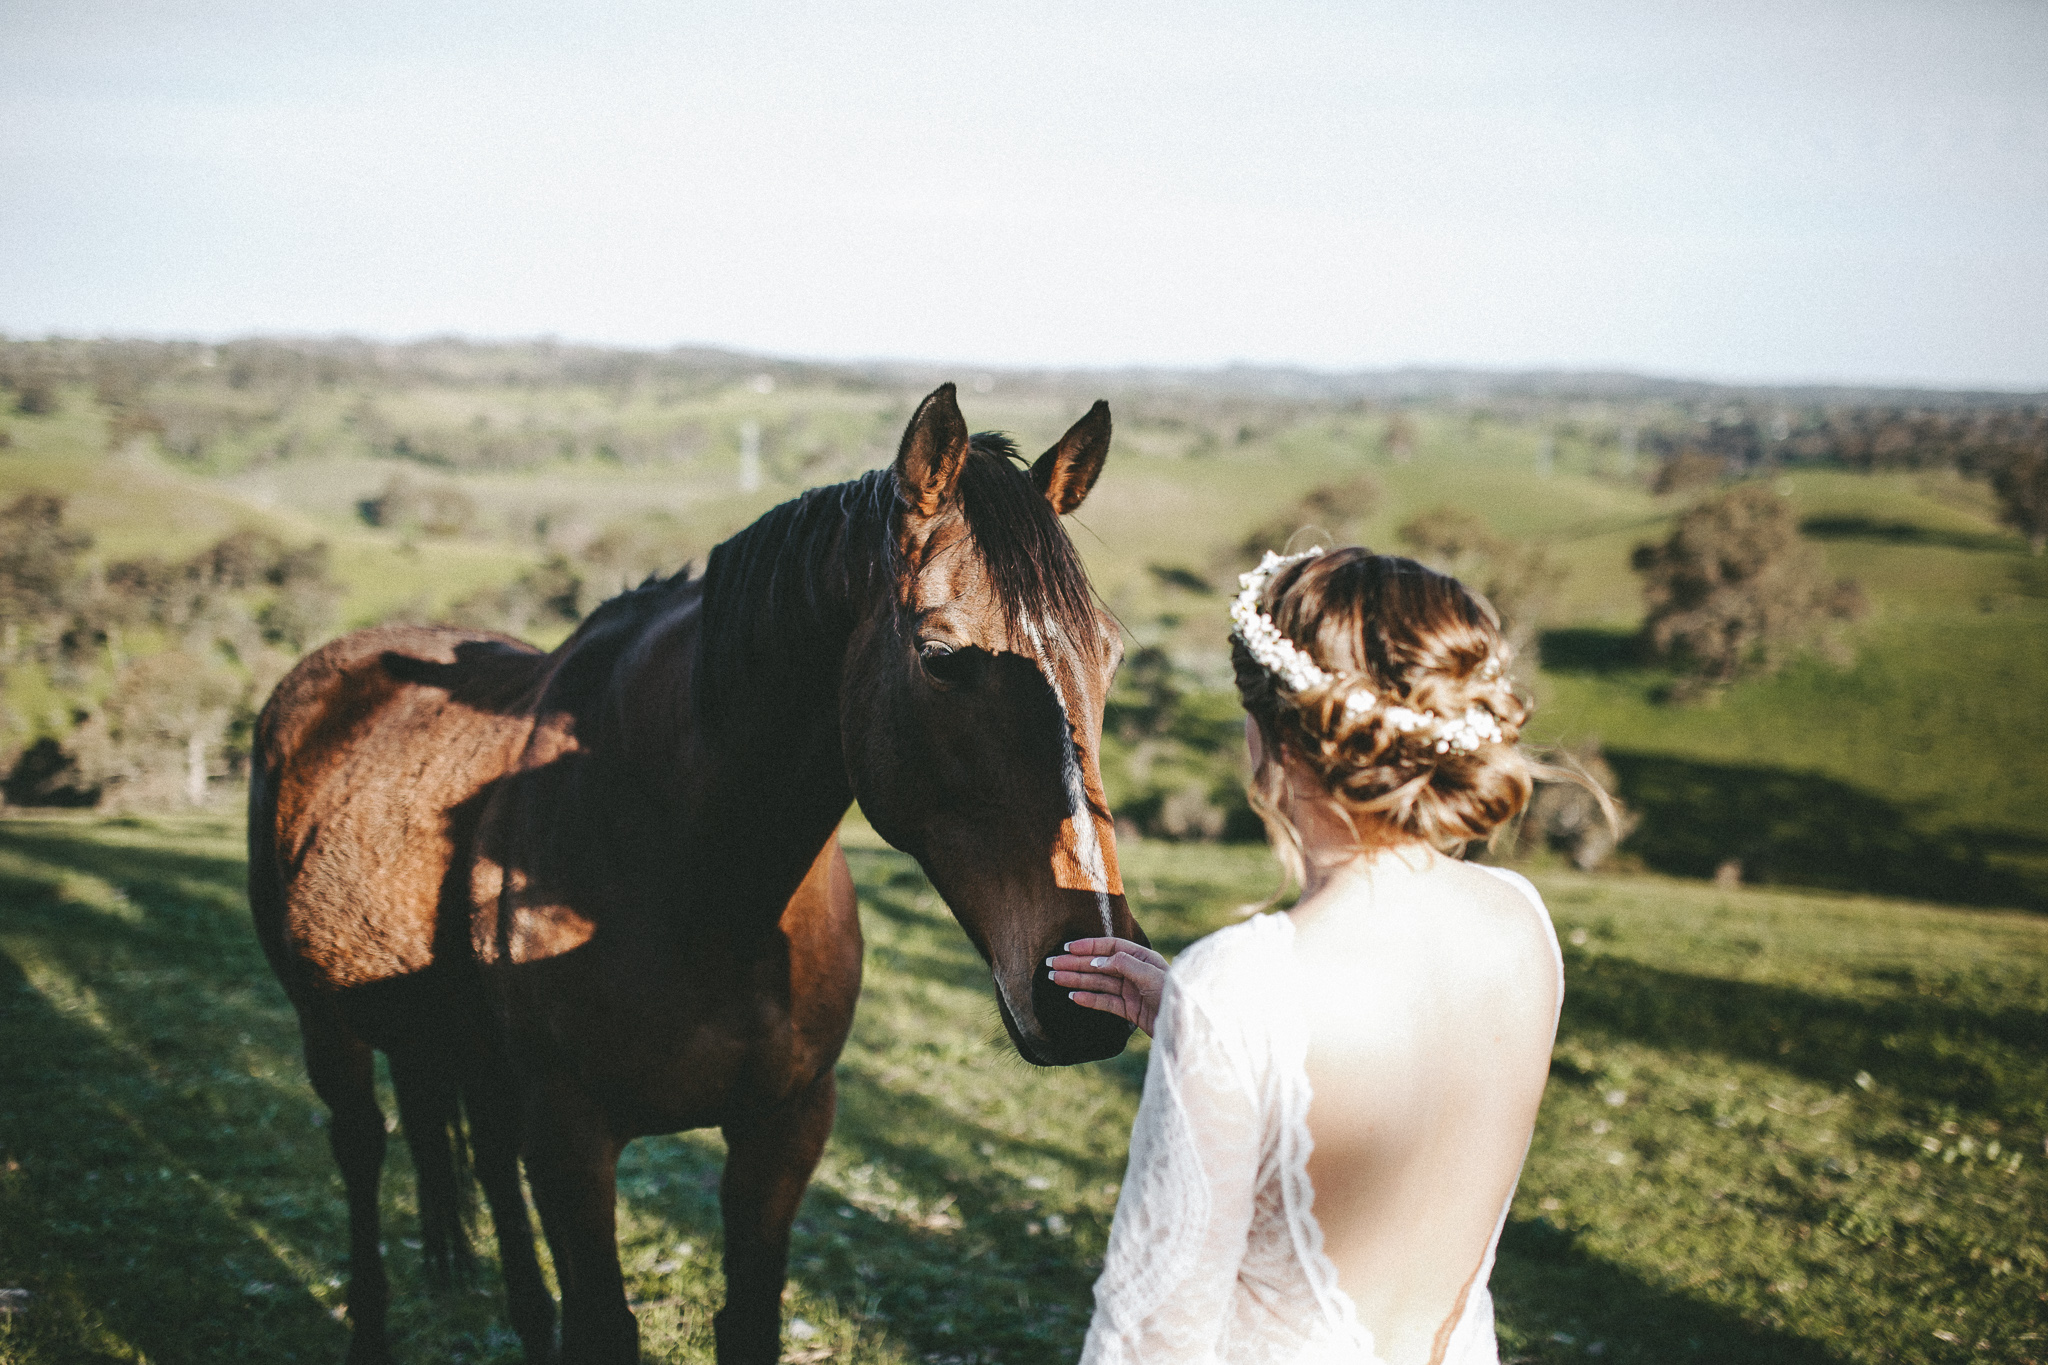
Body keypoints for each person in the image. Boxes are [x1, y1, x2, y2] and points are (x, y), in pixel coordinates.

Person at [1046, 547, 1589, 1365]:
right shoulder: (1520, 918)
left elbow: (1151, 1338)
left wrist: (1218, 1017)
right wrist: (1207, 1036)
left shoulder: (1242, 985)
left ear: (1269, 739)